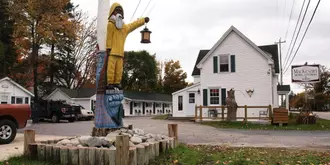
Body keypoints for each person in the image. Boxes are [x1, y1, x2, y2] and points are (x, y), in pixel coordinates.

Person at [106, 2, 150, 90]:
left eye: (120, 11)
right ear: (112, 12)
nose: (118, 13)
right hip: (112, 52)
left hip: (120, 53)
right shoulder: (110, 25)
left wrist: (143, 20)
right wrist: (108, 48)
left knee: (119, 70)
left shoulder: (124, 28)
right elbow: (109, 37)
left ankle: (116, 83)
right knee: (111, 68)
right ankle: (110, 83)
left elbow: (134, 24)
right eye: (116, 11)